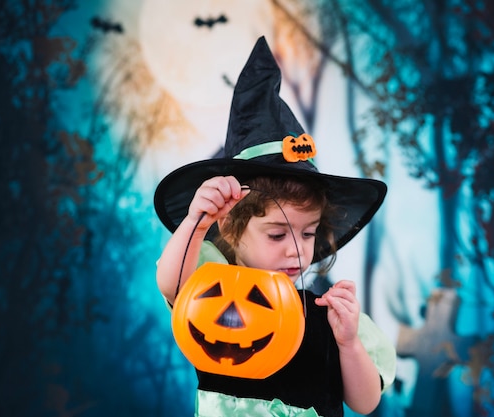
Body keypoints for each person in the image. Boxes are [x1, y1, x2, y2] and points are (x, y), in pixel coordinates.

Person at [154, 36, 396, 417]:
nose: (297, 249)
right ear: (233, 228)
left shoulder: (324, 315)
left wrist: (349, 343)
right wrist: (196, 223)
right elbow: (173, 284)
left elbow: (365, 404)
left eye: (308, 232)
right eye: (277, 234)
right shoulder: (210, 298)